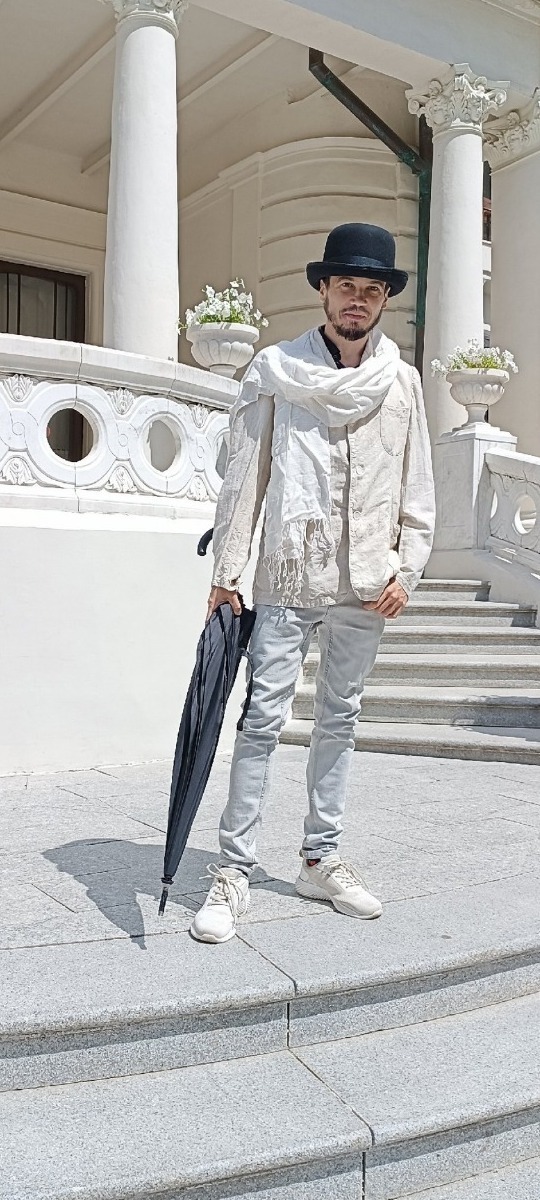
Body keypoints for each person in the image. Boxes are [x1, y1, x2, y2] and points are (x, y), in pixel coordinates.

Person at [191, 222, 436, 944]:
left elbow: (416, 483)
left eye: (371, 290)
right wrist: (227, 573)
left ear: (384, 300)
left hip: (367, 582)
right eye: (346, 286)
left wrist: (407, 570)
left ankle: (319, 859)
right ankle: (234, 868)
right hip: (288, 573)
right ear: (324, 290)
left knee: (341, 720)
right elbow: (246, 475)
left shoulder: (401, 381)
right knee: (261, 720)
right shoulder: (275, 370)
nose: (357, 299)